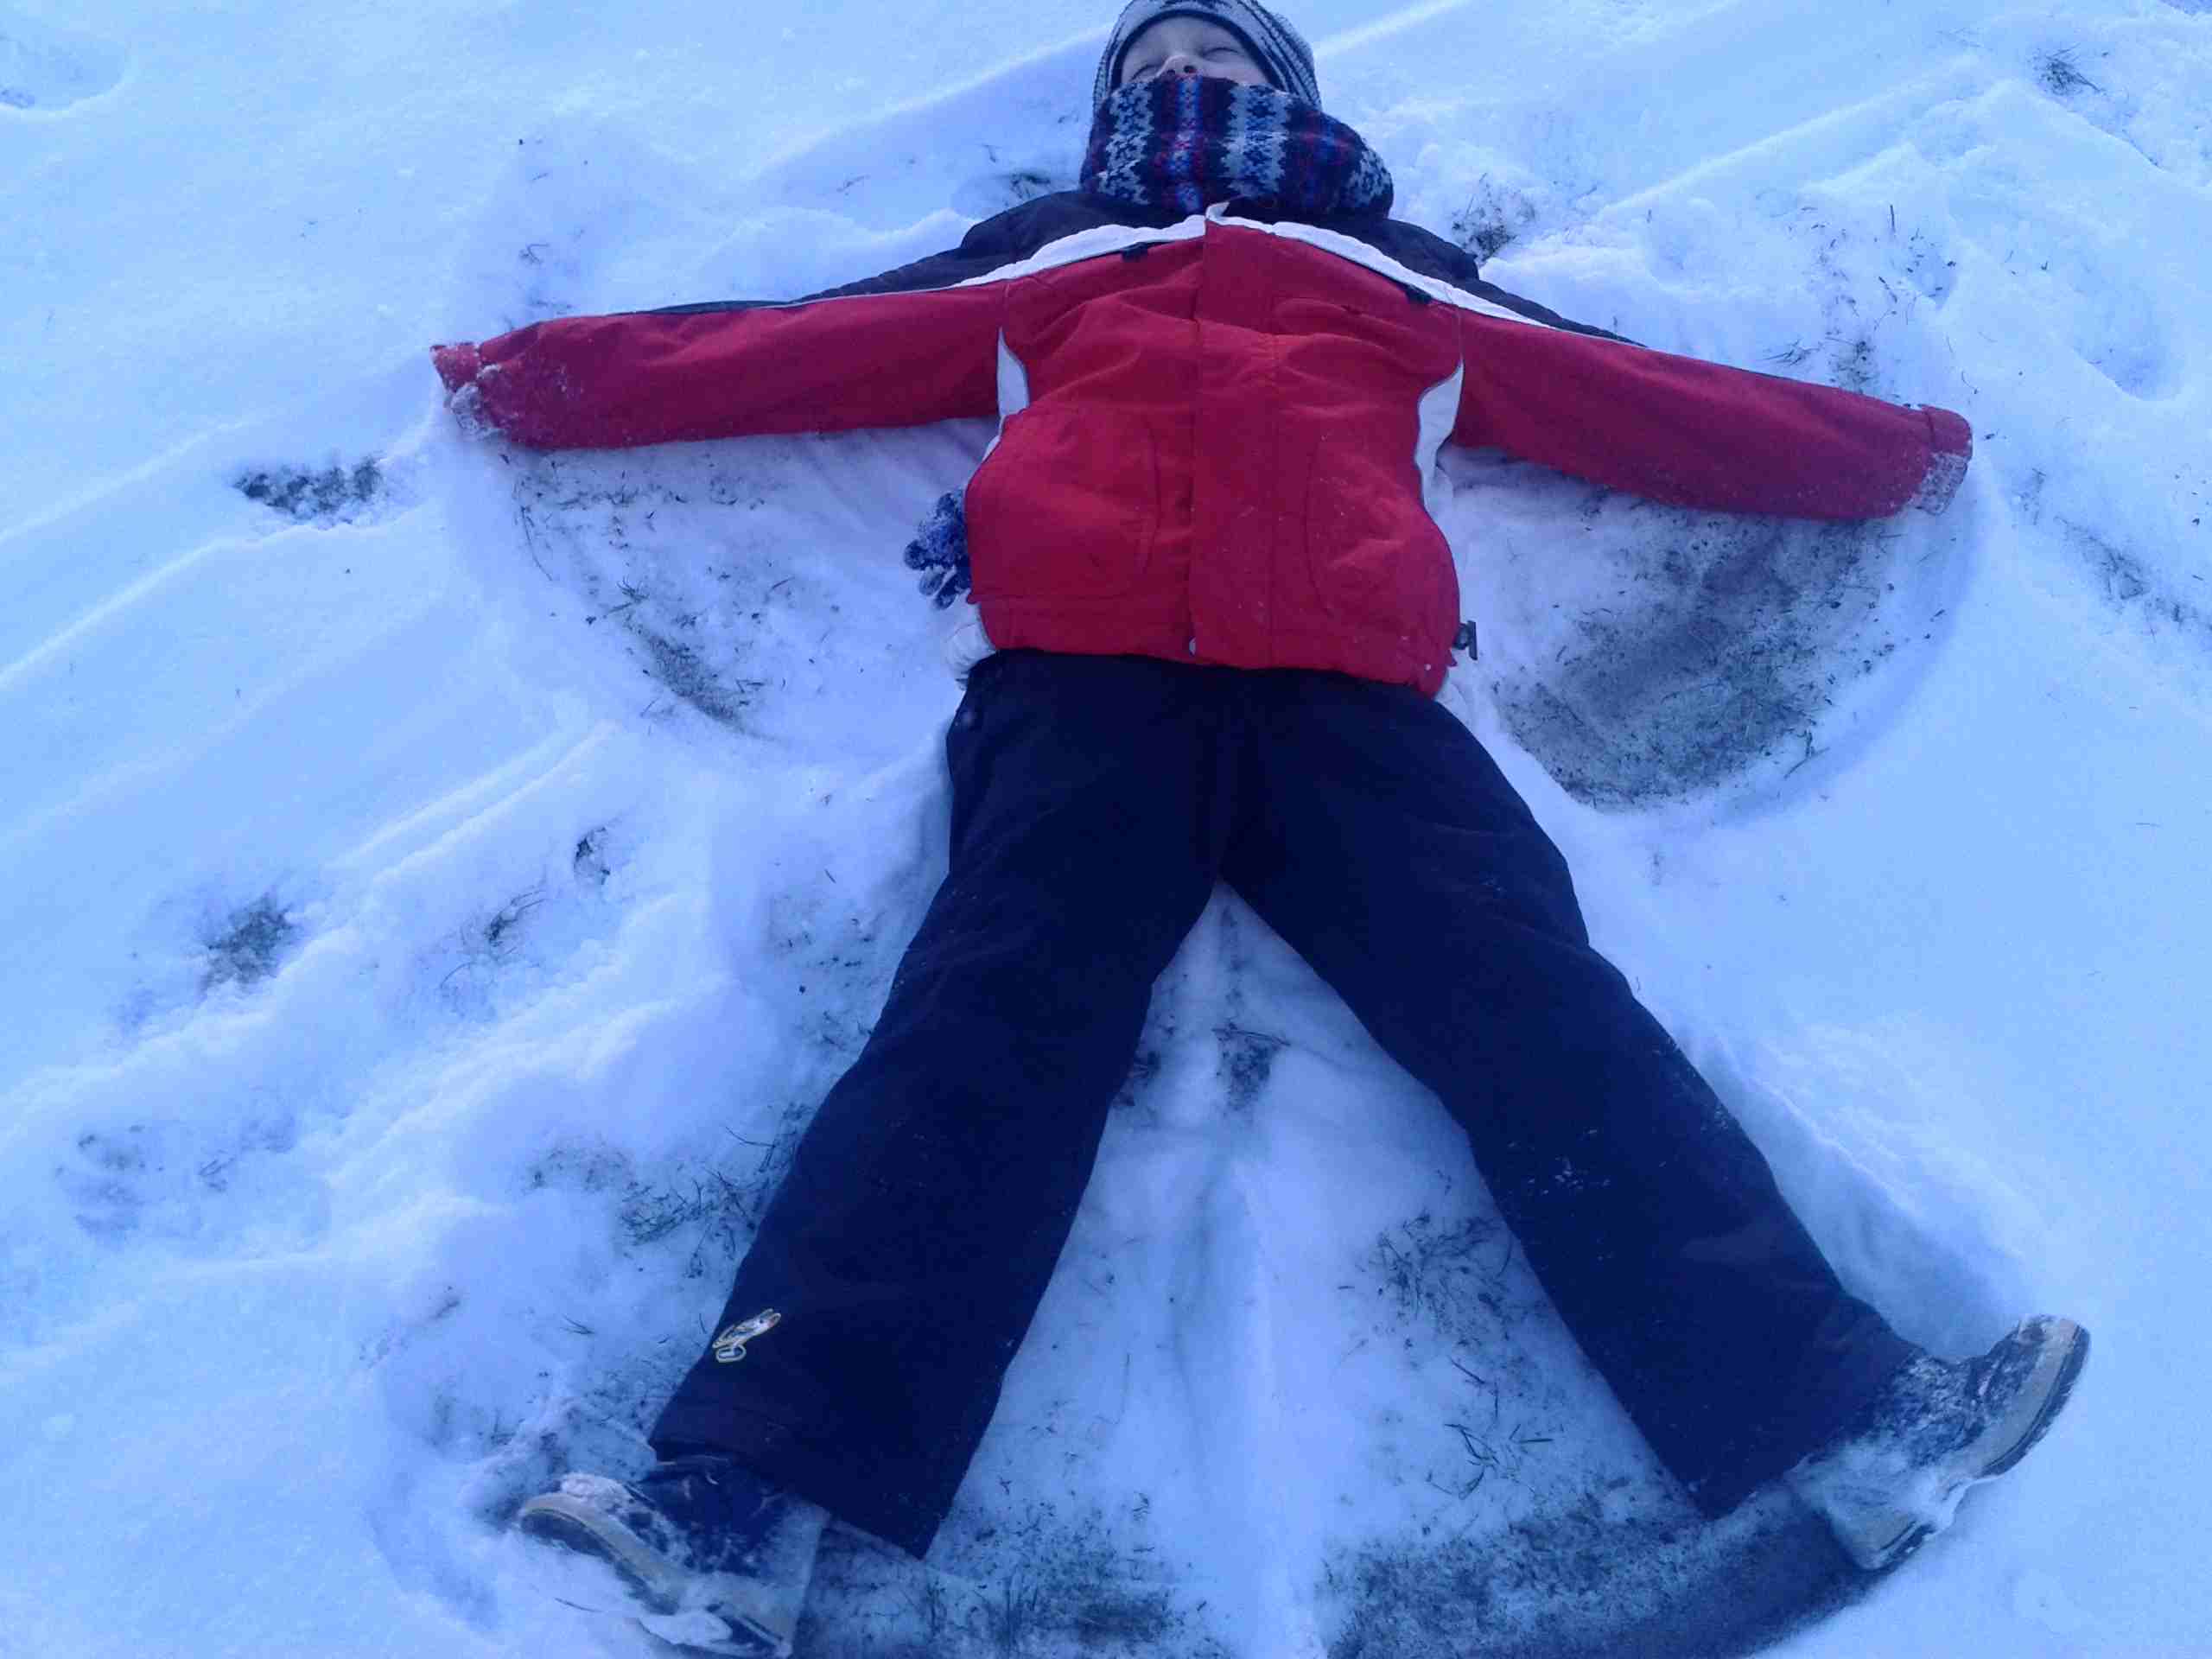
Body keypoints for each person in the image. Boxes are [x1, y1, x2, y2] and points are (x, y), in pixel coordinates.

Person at [432, 4, 2088, 1653]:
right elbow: (800, 347)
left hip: (1351, 701)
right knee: (979, 1036)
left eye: (1210, 55)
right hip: (1082, 690)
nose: (1178, 74)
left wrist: (1883, 459)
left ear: (1282, 89)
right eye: (1146, 66)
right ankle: (735, 1508)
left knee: (1539, 1018)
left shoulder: (1390, 276)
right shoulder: (1059, 255)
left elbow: (1626, 396)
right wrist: (540, 381)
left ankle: (1851, 1422)